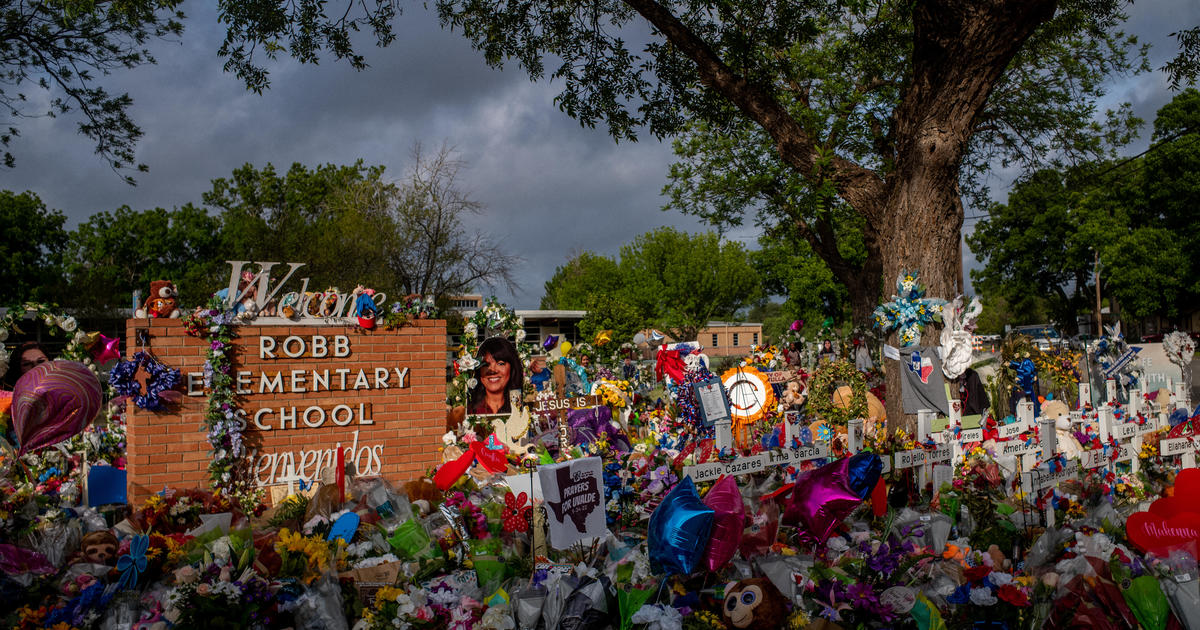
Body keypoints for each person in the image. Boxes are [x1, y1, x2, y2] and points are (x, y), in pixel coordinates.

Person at [468, 337, 525, 415]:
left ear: (512, 368)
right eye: (486, 365)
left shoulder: (525, 410)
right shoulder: (468, 411)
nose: (492, 370)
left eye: (500, 363)